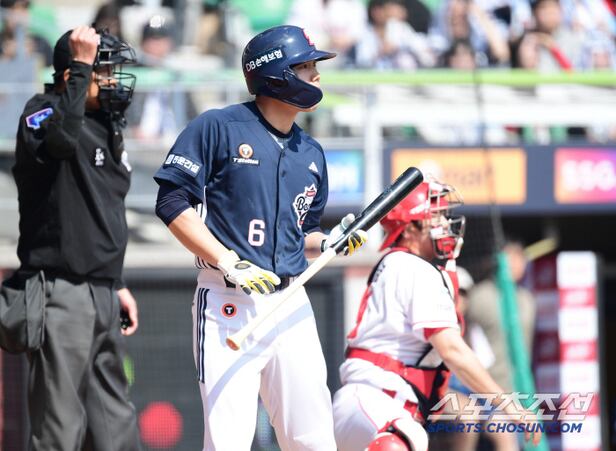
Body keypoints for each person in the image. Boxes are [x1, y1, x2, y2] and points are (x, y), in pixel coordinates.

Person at [153, 25, 367, 450]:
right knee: (228, 441)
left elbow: (301, 234)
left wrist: (328, 242)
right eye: (305, 66)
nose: (316, 75)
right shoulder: (218, 126)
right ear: (276, 73)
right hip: (228, 301)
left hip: (290, 301)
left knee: (314, 440)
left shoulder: (311, 152)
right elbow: (171, 201)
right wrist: (227, 260)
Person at [332, 179, 541, 451]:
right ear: (410, 228)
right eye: (435, 216)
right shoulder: (414, 267)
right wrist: (508, 404)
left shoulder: (398, 263)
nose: (445, 223)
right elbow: (452, 350)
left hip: (370, 407)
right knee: (405, 441)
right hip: (378, 403)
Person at [11, 26, 140, 450]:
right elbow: (61, 141)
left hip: (103, 291)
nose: (114, 81)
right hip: (62, 289)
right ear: (73, 76)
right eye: (105, 72)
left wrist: (116, 282)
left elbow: (104, 212)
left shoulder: (106, 125)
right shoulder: (42, 111)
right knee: (59, 430)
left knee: (115, 430)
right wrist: (83, 65)